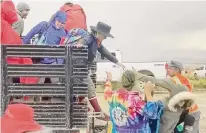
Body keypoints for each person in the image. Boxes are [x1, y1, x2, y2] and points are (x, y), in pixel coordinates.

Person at [63, 22, 125, 121]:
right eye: (104, 36)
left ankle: (78, 107)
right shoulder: (90, 37)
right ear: (98, 33)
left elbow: (106, 53)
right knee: (90, 87)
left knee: (84, 89)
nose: (105, 38)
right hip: (76, 68)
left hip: (81, 69)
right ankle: (97, 112)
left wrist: (118, 62)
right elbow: (84, 41)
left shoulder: (97, 42)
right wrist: (80, 45)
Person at [132, 65, 195, 133]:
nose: (167, 70)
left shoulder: (167, 104)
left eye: (170, 68)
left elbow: (151, 110)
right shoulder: (180, 107)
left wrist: (148, 92)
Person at [23, 11, 67, 84]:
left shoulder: (63, 33)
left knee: (56, 81)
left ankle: (55, 95)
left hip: (52, 60)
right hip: (40, 58)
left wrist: (59, 65)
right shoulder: (44, 25)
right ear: (55, 19)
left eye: (62, 23)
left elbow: (61, 49)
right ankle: (37, 95)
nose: (60, 24)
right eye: (59, 21)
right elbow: (30, 34)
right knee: (39, 81)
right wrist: (21, 45)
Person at [1, 0, 37, 85]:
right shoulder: (19, 20)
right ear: (21, 9)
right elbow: (15, 35)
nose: (27, 13)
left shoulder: (9, 19)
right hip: (11, 49)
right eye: (26, 10)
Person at [166, 61, 200, 133]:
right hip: (191, 111)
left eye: (170, 68)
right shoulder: (185, 79)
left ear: (177, 70)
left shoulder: (174, 80)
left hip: (188, 112)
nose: (167, 70)